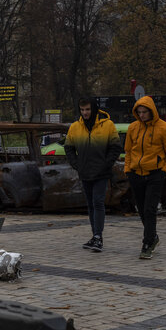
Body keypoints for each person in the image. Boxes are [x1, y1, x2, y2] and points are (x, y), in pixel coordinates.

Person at [123, 96, 166, 260]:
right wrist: (128, 170)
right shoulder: (133, 128)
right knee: (141, 209)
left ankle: (147, 244)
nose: (141, 115)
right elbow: (128, 151)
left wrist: (164, 172)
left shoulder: (165, 128)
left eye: (144, 112)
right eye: (139, 112)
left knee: (149, 209)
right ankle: (153, 237)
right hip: (136, 174)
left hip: (155, 174)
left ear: (151, 111)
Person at [64, 98, 121, 252]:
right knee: (90, 204)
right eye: (82, 110)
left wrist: (105, 164)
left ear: (93, 109)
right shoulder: (75, 127)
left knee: (98, 202)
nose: (85, 113)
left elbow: (116, 147)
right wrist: (77, 165)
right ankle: (95, 236)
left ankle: (98, 236)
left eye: (87, 109)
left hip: (101, 172)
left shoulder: (107, 125)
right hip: (85, 172)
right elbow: (68, 148)